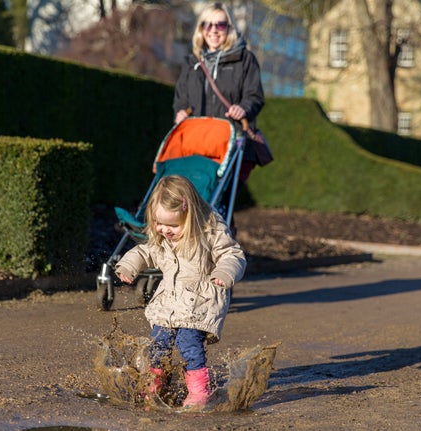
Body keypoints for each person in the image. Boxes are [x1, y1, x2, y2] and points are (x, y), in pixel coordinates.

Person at [115, 175, 246, 410]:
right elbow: (145, 251)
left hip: (201, 299)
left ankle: (199, 391)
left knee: (188, 342)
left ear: (190, 214)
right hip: (170, 301)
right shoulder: (163, 236)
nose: (165, 230)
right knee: (158, 343)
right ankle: (157, 384)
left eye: (173, 225)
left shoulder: (209, 229)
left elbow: (231, 254)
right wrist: (128, 266)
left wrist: (225, 272)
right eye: (159, 223)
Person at [173, 2, 265, 185]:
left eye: (220, 25)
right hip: (196, 142)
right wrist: (181, 112)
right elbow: (181, 98)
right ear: (201, 29)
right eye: (207, 24)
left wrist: (243, 108)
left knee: (218, 195)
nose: (213, 30)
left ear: (229, 28)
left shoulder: (244, 60)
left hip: (230, 141)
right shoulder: (192, 63)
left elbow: (254, 95)